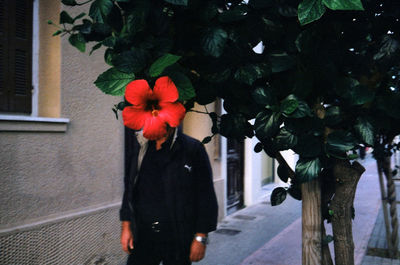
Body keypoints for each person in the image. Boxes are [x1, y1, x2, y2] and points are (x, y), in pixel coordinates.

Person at [120, 126, 219, 265]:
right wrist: (126, 226)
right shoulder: (141, 146)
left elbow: (205, 196)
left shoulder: (192, 149)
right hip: (143, 235)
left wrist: (200, 238)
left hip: (178, 237)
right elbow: (130, 188)